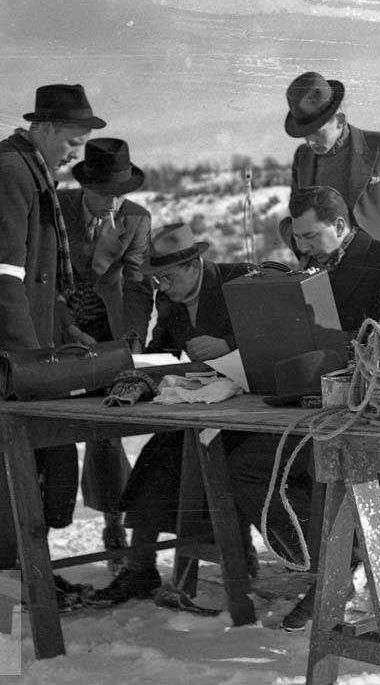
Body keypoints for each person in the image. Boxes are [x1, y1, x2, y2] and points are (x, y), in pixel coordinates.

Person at [251, 184, 380, 631]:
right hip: (310, 398)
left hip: (370, 402)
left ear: (342, 226)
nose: (301, 246)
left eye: (309, 237)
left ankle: (334, 572)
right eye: (298, 239)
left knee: (319, 464)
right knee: (247, 463)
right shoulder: (309, 269)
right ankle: (324, 563)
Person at [0, 84, 101, 578]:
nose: (75, 156)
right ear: (42, 128)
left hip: (27, 352)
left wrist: (63, 326)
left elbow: (34, 279)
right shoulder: (11, 174)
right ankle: (19, 592)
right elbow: (1, 280)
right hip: (8, 363)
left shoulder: (28, 169)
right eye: (71, 143)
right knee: (12, 482)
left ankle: (30, 581)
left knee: (30, 478)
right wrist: (30, 368)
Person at [88, 223, 255, 607]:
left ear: (195, 265)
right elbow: (163, 351)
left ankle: (237, 555)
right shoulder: (170, 302)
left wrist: (227, 344)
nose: (162, 285)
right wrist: (140, 370)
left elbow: (275, 333)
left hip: (248, 413)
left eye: (168, 276)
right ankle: (140, 565)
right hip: (200, 408)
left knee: (214, 470)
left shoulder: (239, 281)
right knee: (155, 458)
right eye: (157, 278)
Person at [56, 136, 154, 572]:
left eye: (120, 195)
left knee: (103, 430)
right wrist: (68, 326)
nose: (112, 204)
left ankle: (113, 517)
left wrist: (131, 340)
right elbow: (41, 279)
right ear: (83, 186)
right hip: (56, 329)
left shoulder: (136, 219)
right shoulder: (55, 210)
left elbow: (135, 284)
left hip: (108, 331)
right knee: (52, 433)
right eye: (103, 195)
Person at [284, 71, 380, 265]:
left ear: (340, 120)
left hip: (376, 273)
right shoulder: (303, 158)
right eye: (305, 135)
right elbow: (295, 218)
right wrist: (305, 249)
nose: (310, 142)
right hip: (321, 277)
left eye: (317, 133)